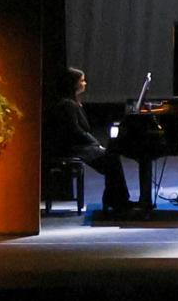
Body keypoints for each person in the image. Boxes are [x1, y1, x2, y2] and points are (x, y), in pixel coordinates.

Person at [42, 68, 134, 215]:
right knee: (111, 158)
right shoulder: (67, 105)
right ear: (73, 84)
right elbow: (75, 131)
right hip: (71, 147)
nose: (85, 83)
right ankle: (117, 200)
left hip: (76, 145)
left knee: (111, 157)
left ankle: (116, 199)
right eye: (82, 80)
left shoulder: (72, 103)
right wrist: (96, 144)